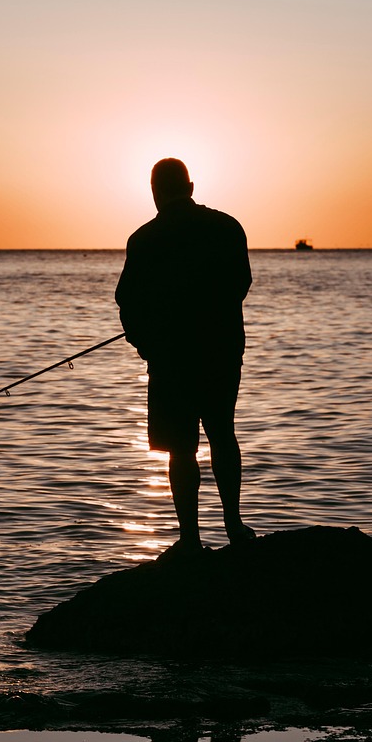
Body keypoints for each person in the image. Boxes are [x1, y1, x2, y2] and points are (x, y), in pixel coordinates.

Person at [115, 158, 255, 551]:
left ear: (155, 192)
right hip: (221, 352)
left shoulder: (143, 239)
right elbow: (240, 284)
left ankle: (190, 540)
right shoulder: (227, 227)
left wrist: (146, 344)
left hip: (169, 359)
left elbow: (126, 302)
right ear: (190, 187)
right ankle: (234, 526)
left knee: (181, 449)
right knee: (222, 435)